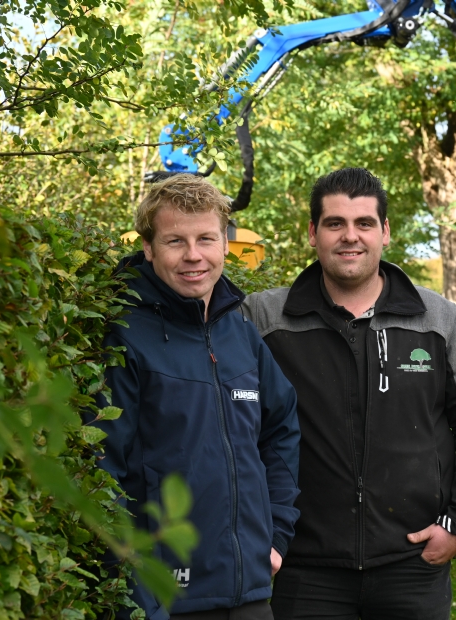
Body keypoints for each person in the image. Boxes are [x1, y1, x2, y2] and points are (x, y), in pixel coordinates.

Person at [241, 167, 456, 620]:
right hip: (304, 569)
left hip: (412, 565)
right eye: (334, 223)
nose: (350, 236)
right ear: (312, 233)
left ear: (385, 232)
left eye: (364, 223)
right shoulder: (263, 319)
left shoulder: (438, 321)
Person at [94, 174, 301, 620]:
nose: (194, 255)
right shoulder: (125, 336)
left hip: (250, 593)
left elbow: (281, 428)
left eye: (206, 239)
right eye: (175, 241)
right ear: (148, 248)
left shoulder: (240, 334)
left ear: (225, 245)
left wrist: (276, 533)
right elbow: (102, 470)